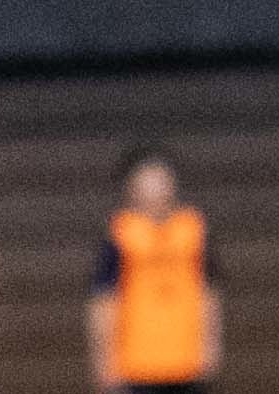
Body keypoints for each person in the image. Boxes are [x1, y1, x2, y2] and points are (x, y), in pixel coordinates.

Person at [91, 147, 220, 394]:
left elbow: (208, 294)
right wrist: (105, 360)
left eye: (160, 182)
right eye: (147, 183)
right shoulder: (121, 234)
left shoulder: (192, 229)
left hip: (187, 362)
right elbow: (104, 302)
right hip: (136, 365)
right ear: (132, 188)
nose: (155, 191)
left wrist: (211, 345)